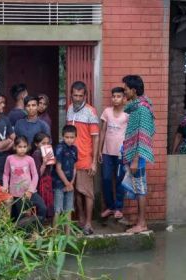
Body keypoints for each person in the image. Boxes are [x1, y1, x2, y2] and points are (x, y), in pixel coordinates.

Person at [121, 75, 155, 234]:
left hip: (138, 156)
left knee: (140, 188)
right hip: (134, 154)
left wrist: (135, 159)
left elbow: (143, 135)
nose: (124, 92)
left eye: (126, 89)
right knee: (137, 186)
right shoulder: (136, 107)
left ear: (133, 90)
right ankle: (139, 221)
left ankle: (142, 224)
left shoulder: (141, 109)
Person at [66, 81, 100, 235]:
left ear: (85, 95)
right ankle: (80, 220)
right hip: (71, 159)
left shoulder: (91, 112)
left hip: (86, 158)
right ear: (71, 95)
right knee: (76, 192)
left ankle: (88, 223)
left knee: (87, 192)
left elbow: (96, 138)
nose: (77, 98)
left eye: (80, 95)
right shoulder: (69, 109)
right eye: (75, 95)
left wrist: (94, 162)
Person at [98, 87, 129, 220]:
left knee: (120, 180)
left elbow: (130, 134)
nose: (115, 99)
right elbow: (103, 131)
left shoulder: (128, 114)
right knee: (106, 179)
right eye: (113, 96)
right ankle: (110, 207)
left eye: (118, 96)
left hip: (121, 154)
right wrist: (99, 150)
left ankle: (118, 208)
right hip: (106, 152)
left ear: (124, 99)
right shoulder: (107, 112)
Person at [3, 136, 47, 225]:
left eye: (24, 147)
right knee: (22, 217)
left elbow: (35, 175)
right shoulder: (10, 158)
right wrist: (5, 186)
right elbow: (6, 174)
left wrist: (30, 190)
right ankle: (25, 236)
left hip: (30, 192)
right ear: (15, 147)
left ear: (27, 147)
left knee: (43, 208)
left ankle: (38, 229)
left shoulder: (29, 159)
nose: (22, 149)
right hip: (17, 194)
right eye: (20, 147)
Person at [52, 125, 78, 234]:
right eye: (67, 137)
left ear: (75, 137)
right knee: (58, 210)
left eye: (72, 137)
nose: (69, 139)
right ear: (62, 136)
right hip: (59, 184)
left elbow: (75, 167)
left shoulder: (75, 149)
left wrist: (71, 182)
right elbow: (58, 169)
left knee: (68, 210)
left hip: (70, 184)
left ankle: (67, 235)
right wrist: (66, 183)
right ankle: (54, 234)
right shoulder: (59, 148)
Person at [32, 132, 54, 219]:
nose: (46, 145)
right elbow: (38, 175)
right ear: (36, 144)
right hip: (41, 184)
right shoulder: (36, 154)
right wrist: (44, 163)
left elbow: (50, 169)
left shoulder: (45, 153)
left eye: (48, 143)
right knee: (42, 206)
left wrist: (52, 160)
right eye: (43, 143)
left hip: (47, 182)